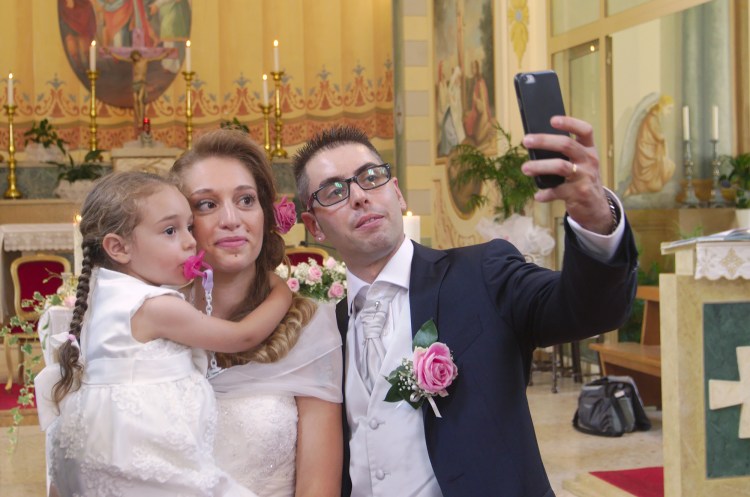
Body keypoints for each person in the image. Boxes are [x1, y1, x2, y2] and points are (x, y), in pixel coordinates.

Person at [292, 118, 639, 497]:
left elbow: (589, 309)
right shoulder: (328, 332)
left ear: (398, 193)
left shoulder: (482, 275)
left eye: (371, 177)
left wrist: (596, 219)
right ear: (314, 226)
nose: (359, 196)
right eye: (334, 191)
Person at [38, 171, 292, 496]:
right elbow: (241, 336)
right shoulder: (155, 307)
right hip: (139, 452)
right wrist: (281, 292)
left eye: (189, 226)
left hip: (97, 445)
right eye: (171, 230)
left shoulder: (103, 294)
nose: (190, 241)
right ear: (118, 247)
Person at [170, 129, 343, 497]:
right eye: (207, 204)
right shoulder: (155, 320)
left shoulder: (310, 328)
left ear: (266, 213)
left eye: (246, 200)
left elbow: (318, 486)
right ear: (179, 223)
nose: (231, 219)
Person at [624, 94, 676, 195]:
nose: (669, 112)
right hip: (646, 150)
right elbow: (658, 136)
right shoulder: (652, 118)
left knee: (661, 178)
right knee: (656, 182)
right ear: (662, 106)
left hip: (652, 150)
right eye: (668, 109)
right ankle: (635, 188)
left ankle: (637, 188)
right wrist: (664, 139)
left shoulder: (655, 117)